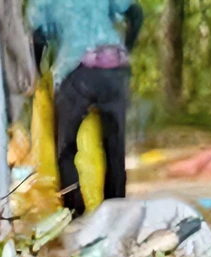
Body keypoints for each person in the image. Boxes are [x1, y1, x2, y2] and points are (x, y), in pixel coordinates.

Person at [28, 0, 143, 214]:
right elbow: (135, 12)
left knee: (65, 149)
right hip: (115, 67)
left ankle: (75, 212)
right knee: (115, 148)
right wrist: (127, 47)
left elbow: (38, 37)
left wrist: (38, 72)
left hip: (76, 69)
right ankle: (116, 212)